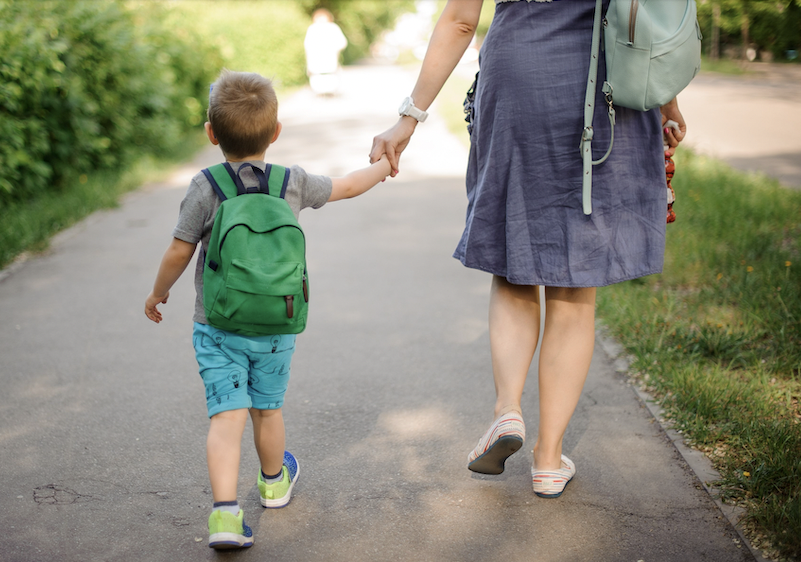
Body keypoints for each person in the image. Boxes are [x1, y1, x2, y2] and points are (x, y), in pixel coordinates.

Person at [369, 0, 687, 498]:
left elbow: (460, 20)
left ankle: (507, 410)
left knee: (517, 262)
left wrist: (408, 118)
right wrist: (664, 97)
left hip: (519, 74)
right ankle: (547, 459)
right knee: (575, 283)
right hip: (609, 82)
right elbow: (647, 12)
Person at [145, 70, 391, 549]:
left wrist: (158, 293)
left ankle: (224, 517)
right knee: (268, 410)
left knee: (226, 417)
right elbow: (347, 187)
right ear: (275, 132)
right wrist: (383, 166)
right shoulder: (291, 182)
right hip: (277, 324)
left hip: (218, 325)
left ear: (211, 133)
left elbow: (179, 250)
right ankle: (275, 483)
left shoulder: (206, 185)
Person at [304, 8, 348, 95]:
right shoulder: (312, 28)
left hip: (330, 58)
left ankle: (329, 94)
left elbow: (342, 42)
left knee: (330, 79)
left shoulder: (333, 27)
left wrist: (335, 49)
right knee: (318, 81)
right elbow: (307, 45)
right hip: (315, 59)